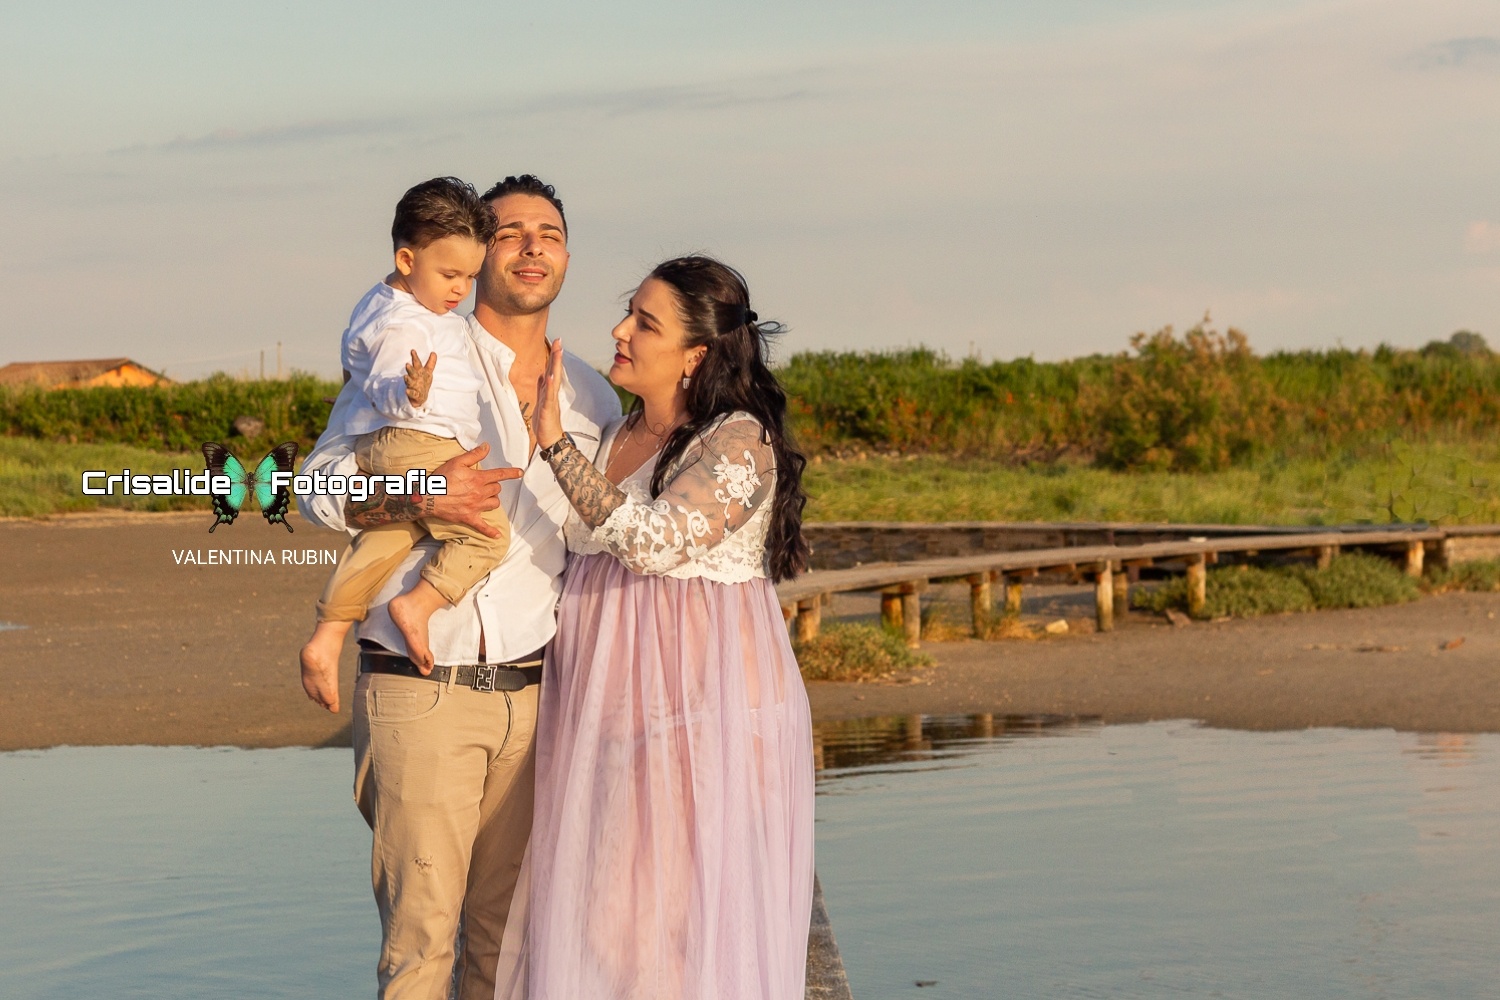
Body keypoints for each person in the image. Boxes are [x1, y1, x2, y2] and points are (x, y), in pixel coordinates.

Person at [297, 175, 621, 1000]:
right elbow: (314, 489)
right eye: (511, 231)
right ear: (476, 256)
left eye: (548, 231)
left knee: (505, 945)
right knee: (420, 948)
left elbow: (604, 538)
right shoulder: (418, 347)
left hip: (538, 694)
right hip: (423, 687)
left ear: (567, 255)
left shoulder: (593, 394)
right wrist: (418, 497)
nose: (532, 245)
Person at [511, 255, 816, 999]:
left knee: (676, 918)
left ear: (696, 354)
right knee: (604, 911)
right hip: (607, 706)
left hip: (699, 710)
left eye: (644, 322)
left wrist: (552, 442)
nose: (620, 331)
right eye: (628, 312)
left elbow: (654, 540)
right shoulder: (616, 434)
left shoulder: (737, 440)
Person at [299, 175, 509, 686]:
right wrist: (409, 394)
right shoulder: (405, 323)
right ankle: (419, 604)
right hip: (418, 439)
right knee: (490, 535)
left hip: (401, 445)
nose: (460, 288)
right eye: (450, 274)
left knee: (386, 537)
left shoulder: (398, 304)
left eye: (470, 275)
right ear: (407, 261)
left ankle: (327, 634)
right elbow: (388, 385)